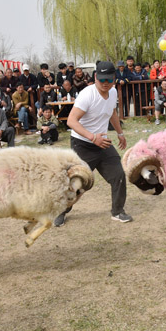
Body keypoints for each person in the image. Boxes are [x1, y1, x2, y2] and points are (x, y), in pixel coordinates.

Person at [65, 61, 132, 224]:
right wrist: (93, 137)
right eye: (101, 80)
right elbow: (71, 121)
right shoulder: (87, 95)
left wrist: (120, 133)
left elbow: (112, 112)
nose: (105, 83)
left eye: (108, 80)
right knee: (77, 185)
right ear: (96, 77)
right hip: (83, 144)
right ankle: (61, 211)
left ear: (114, 78)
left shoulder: (113, 92)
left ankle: (117, 211)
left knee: (118, 175)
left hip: (102, 143)